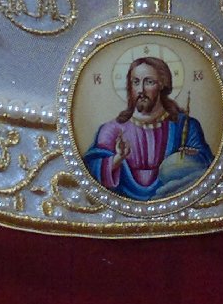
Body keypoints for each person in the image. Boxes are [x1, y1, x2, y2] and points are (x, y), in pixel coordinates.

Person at [84, 56, 213, 200]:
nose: (141, 90)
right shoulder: (111, 130)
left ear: (162, 84)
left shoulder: (185, 126)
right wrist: (117, 159)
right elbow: (91, 169)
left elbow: (207, 166)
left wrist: (189, 159)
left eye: (149, 82)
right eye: (136, 82)